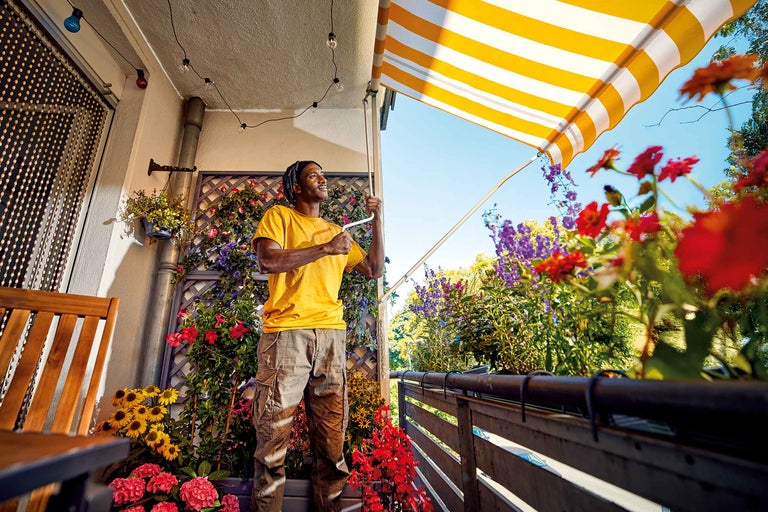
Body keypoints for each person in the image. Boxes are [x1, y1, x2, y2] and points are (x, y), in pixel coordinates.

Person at [249, 160, 384, 512]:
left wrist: (377, 222)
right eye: (314, 174)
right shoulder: (279, 217)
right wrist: (324, 248)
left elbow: (372, 268)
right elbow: (269, 261)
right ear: (296, 186)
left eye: (323, 173)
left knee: (331, 443)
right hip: (287, 335)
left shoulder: (337, 230)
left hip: (331, 338)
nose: (323, 179)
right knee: (272, 440)